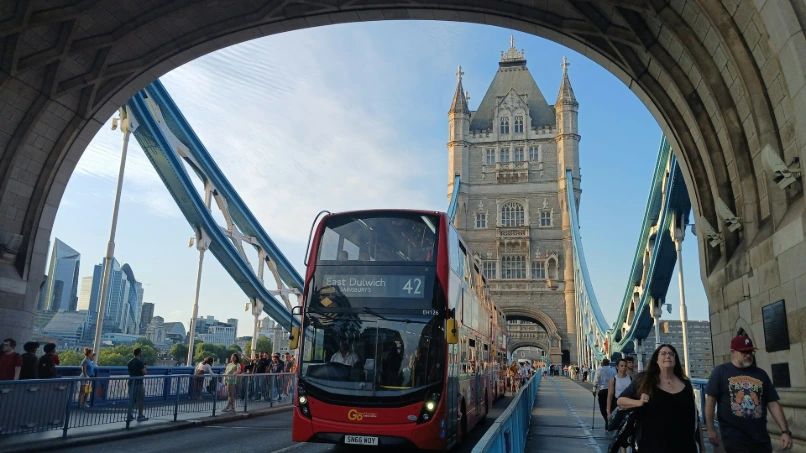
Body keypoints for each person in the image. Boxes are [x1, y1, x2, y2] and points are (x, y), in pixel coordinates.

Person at [705, 335, 792, 453]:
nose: (748, 355)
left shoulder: (761, 374)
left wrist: (785, 431)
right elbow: (710, 401)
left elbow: (772, 403)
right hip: (734, 436)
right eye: (744, 352)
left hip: (760, 437)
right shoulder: (720, 372)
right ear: (733, 352)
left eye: (750, 351)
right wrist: (710, 429)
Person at [617, 344, 702, 452]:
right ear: (656, 360)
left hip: (684, 446)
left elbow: (695, 418)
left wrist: (702, 448)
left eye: (671, 354)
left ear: (675, 360)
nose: (668, 356)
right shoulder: (644, 381)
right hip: (651, 446)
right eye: (663, 353)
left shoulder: (686, 384)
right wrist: (639, 402)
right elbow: (620, 401)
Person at [127, 347, 148, 422]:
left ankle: (130, 415)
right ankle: (140, 415)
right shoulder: (140, 362)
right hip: (139, 383)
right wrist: (145, 368)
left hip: (131, 382)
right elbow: (144, 373)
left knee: (131, 399)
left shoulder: (129, 362)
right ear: (139, 353)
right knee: (140, 399)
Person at [592, 358, 616, 425]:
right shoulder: (613, 371)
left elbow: (595, 381)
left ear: (602, 364)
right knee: (610, 406)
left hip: (602, 391)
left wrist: (594, 390)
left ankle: (606, 419)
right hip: (611, 391)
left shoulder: (599, 370)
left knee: (602, 407)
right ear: (609, 363)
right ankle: (610, 419)